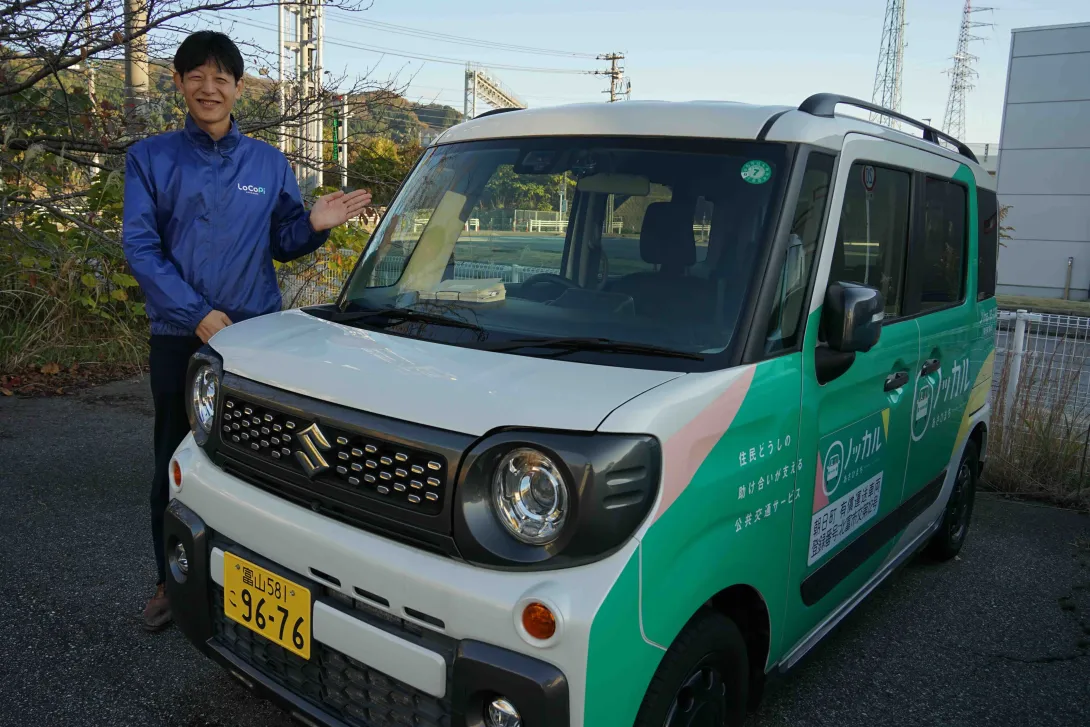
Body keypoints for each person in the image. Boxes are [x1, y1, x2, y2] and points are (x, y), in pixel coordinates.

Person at [122, 31, 371, 632]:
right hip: (182, 337)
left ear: (237, 88)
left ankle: (257, 579)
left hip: (257, 342)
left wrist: (313, 222)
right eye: (196, 76)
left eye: (222, 78)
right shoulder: (150, 158)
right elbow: (141, 246)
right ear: (179, 83)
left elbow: (283, 241)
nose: (210, 88)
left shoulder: (266, 162)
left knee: (262, 465)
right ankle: (168, 578)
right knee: (174, 460)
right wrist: (194, 314)